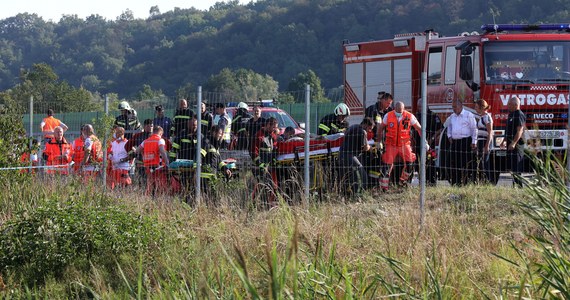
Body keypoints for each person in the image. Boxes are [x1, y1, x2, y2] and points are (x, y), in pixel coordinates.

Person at [378, 102, 423, 190]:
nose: (399, 113)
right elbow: (381, 128)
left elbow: (419, 128)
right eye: (397, 111)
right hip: (391, 144)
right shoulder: (388, 116)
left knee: (410, 163)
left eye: (401, 111)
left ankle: (403, 183)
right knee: (387, 166)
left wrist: (424, 141)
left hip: (404, 144)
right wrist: (379, 141)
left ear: (404, 109)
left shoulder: (409, 116)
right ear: (394, 109)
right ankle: (384, 188)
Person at [170, 117, 207, 200]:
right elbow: (174, 150)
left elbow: (203, 151)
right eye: (192, 125)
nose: (194, 127)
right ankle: (185, 200)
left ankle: (193, 201)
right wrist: (171, 163)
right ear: (188, 124)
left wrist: (198, 162)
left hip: (196, 166)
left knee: (195, 186)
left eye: (195, 125)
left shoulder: (200, 136)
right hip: (184, 165)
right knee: (184, 185)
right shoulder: (182, 134)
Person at [445, 100, 478, 186]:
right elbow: (449, 127)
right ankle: (456, 182)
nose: (454, 109)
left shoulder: (468, 115)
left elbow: (474, 129)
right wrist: (449, 136)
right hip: (455, 143)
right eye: (453, 107)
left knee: (465, 163)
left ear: (460, 106)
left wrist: (474, 141)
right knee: (454, 163)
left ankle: (466, 182)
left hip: (465, 142)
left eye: (455, 107)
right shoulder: (452, 116)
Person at [338, 118, 374, 195]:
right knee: (362, 176)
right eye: (369, 128)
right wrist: (371, 147)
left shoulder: (352, 127)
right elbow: (365, 147)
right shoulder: (362, 132)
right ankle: (359, 195)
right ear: (366, 125)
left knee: (348, 178)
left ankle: (346, 196)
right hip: (350, 156)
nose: (369, 131)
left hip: (341, 155)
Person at [251, 117, 279, 208]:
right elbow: (253, 152)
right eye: (273, 127)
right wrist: (261, 164)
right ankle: (253, 203)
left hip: (270, 166)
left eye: (275, 128)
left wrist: (274, 159)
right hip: (261, 166)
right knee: (260, 185)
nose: (274, 129)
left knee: (273, 185)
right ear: (267, 125)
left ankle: (270, 205)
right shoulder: (259, 136)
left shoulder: (273, 135)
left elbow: (274, 148)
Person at [414, 98, 443, 186]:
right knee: (419, 164)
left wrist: (433, 138)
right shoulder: (416, 116)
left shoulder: (433, 115)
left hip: (430, 144)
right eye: (418, 106)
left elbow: (440, 128)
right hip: (418, 144)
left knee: (431, 163)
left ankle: (432, 182)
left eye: (420, 106)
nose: (419, 108)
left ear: (425, 105)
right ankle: (422, 182)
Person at [135, 126, 170, 197]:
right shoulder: (160, 140)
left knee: (150, 186)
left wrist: (143, 153)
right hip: (159, 167)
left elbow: (137, 150)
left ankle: (149, 200)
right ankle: (159, 201)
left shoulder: (145, 141)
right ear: (160, 132)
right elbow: (162, 151)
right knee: (160, 186)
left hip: (148, 166)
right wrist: (167, 162)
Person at [503, 96, 526, 187]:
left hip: (517, 145)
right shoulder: (510, 114)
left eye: (509, 104)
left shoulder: (519, 114)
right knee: (512, 166)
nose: (507, 105)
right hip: (509, 144)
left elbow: (519, 130)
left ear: (516, 105)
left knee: (517, 165)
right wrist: (504, 141)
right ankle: (514, 184)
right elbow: (508, 129)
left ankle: (519, 186)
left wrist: (513, 143)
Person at [125, 119, 155, 187]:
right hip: (141, 164)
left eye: (151, 126)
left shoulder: (156, 137)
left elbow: (167, 146)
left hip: (153, 164)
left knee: (153, 183)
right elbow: (127, 146)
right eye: (148, 126)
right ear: (144, 126)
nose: (150, 128)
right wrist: (134, 153)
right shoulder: (138, 136)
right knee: (142, 183)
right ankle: (142, 196)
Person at [474, 99, 494, 183]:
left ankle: (488, 181)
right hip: (480, 141)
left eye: (476, 107)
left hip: (485, 142)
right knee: (481, 163)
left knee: (485, 163)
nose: (475, 109)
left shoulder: (487, 117)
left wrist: (486, 146)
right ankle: (482, 180)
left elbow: (490, 132)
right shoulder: (481, 117)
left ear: (482, 107)